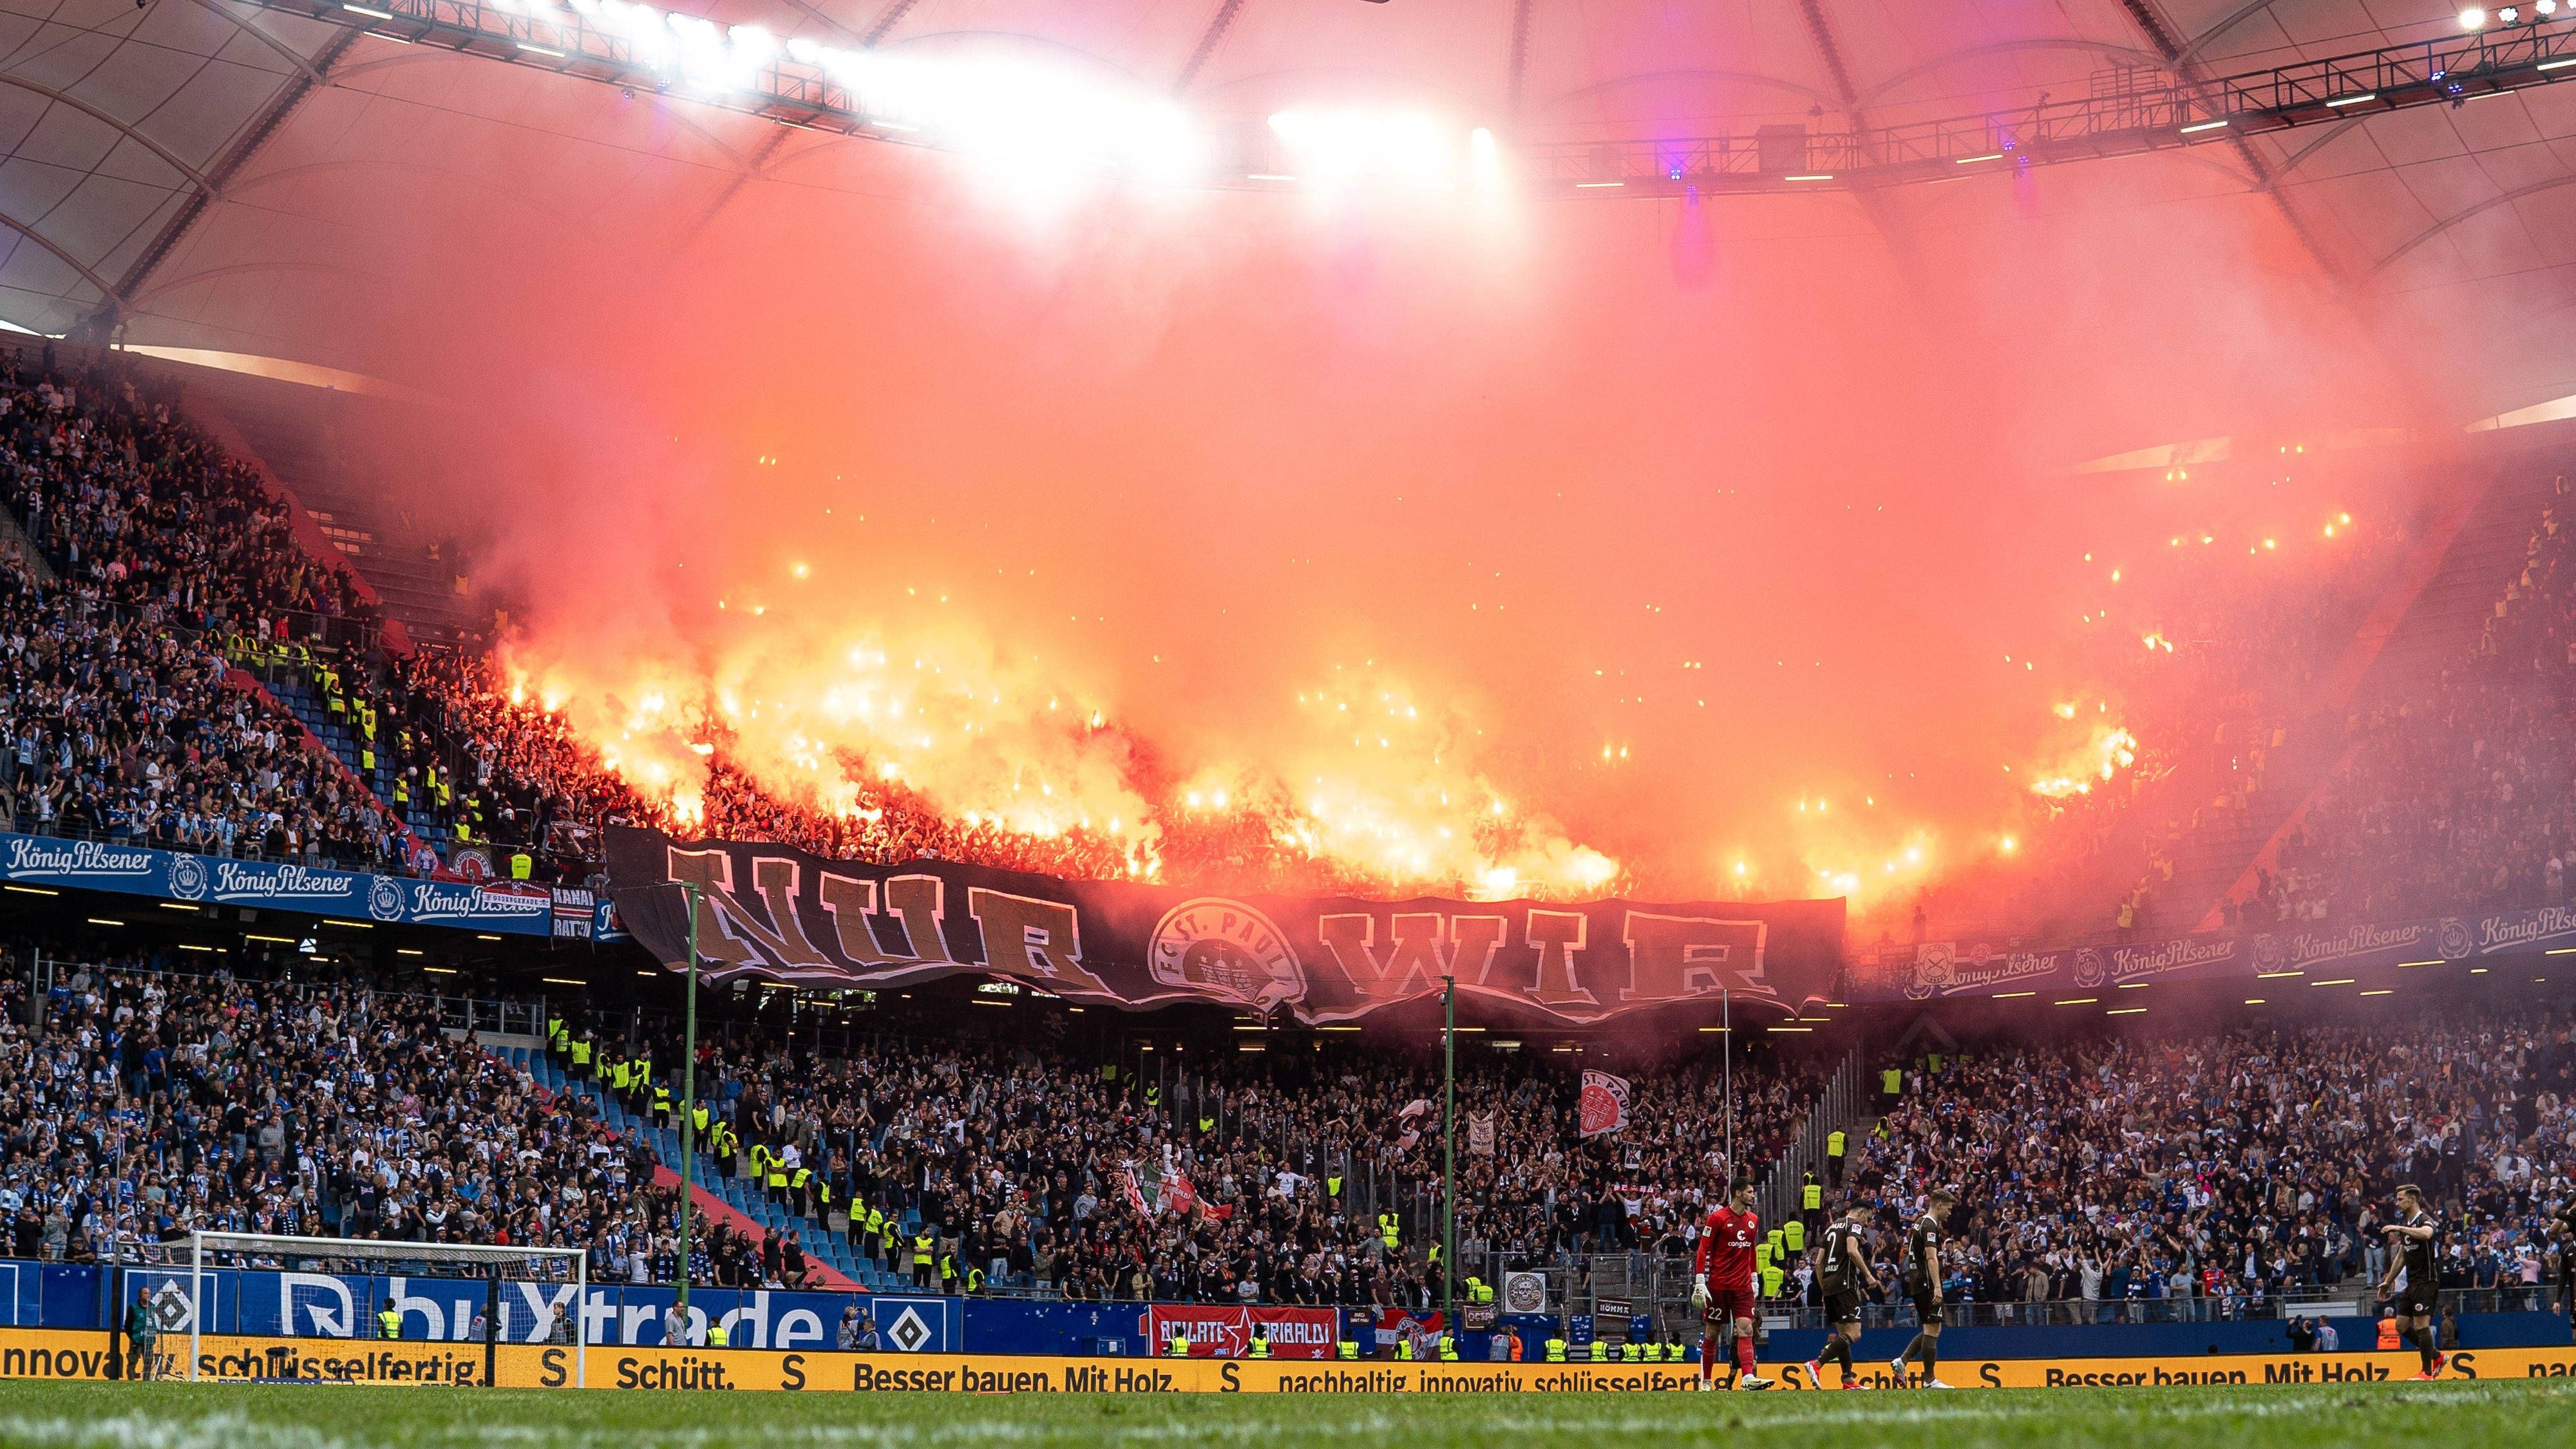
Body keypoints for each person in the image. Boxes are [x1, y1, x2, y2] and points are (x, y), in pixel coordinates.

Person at [1692, 1177, 1770, 1390]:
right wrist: (1700, 1280)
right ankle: (1706, 1381)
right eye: (1750, 1192)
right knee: (1713, 1333)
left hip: (1743, 1286)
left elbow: (1751, 1250)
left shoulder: (1753, 1219)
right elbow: (1703, 1249)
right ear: (1738, 1194)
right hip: (1719, 1285)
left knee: (1746, 1329)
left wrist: (1754, 1278)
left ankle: (1747, 1378)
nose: (1753, 1195)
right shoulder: (1717, 1218)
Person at [1808, 1200, 1879, 1390]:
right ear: (1862, 1213)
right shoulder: (1853, 1224)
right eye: (1869, 1218)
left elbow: (1818, 1263)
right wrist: (1869, 1275)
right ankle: (1817, 1363)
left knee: (1843, 1335)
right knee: (1855, 1334)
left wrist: (1824, 1291)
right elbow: (1852, 1250)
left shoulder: (1831, 1228)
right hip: (1845, 1285)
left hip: (1829, 1285)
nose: (1867, 1223)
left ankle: (1848, 1380)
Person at [1889, 1189, 1956, 1389]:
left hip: (1916, 1281)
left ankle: (1902, 1361)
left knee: (1931, 1328)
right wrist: (1937, 1287)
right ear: (1939, 1206)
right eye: (1949, 1209)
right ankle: (1929, 1379)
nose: (1950, 1213)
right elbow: (1930, 1257)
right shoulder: (1929, 1225)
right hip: (1926, 1282)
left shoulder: (1919, 1222)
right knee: (1933, 1329)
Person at [2377, 1184, 2445, 1381]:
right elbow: (2401, 1256)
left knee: (2422, 1326)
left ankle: (2427, 1372)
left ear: (2412, 1199)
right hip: (2412, 1283)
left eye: (2400, 1199)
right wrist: (2387, 1282)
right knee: (2401, 1325)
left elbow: (2426, 1234)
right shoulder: (2407, 1223)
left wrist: (2398, 1228)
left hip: (2427, 1281)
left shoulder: (2424, 1220)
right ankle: (2437, 1356)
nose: (2397, 1203)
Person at [124, 1287, 158, 1381]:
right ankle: (131, 1379)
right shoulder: (134, 1307)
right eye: (145, 1293)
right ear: (140, 1295)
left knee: (148, 1362)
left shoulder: (153, 1307)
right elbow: (128, 1324)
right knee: (133, 1361)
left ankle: (146, 1380)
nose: (148, 1295)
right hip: (137, 1340)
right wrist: (132, 1337)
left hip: (149, 1340)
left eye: (149, 1293)